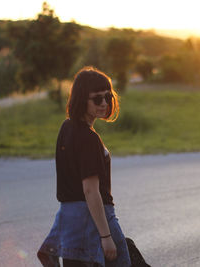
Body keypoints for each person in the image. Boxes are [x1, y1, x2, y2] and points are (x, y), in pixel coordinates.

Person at [37, 66, 131, 267]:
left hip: (70, 222)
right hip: (96, 217)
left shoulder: (67, 128)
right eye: (97, 99)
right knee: (122, 262)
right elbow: (90, 191)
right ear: (81, 99)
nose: (104, 103)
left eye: (108, 97)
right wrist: (106, 236)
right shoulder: (89, 139)